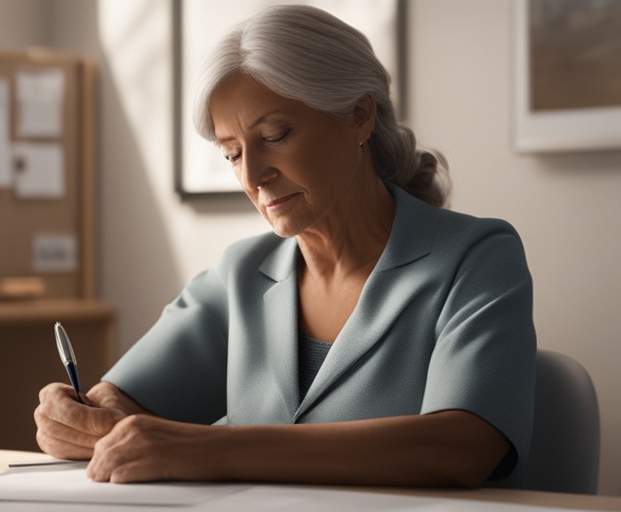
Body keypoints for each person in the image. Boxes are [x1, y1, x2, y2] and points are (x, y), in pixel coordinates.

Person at [34, 4, 535, 489]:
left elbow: (464, 446)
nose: (252, 175)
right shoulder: (240, 274)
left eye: (275, 135)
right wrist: (81, 420)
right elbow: (120, 403)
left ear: (359, 116)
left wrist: (212, 450)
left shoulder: (477, 257)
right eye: (232, 153)